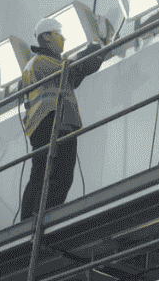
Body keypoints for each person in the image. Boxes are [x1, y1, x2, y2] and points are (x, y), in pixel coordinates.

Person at [19, 16, 113, 222]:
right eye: (59, 35)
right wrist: (93, 50)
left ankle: (32, 217)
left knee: (43, 173)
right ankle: (45, 215)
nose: (63, 39)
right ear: (46, 37)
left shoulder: (40, 65)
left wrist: (96, 56)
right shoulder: (40, 62)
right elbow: (73, 69)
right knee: (59, 173)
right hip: (53, 120)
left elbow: (75, 76)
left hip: (47, 123)